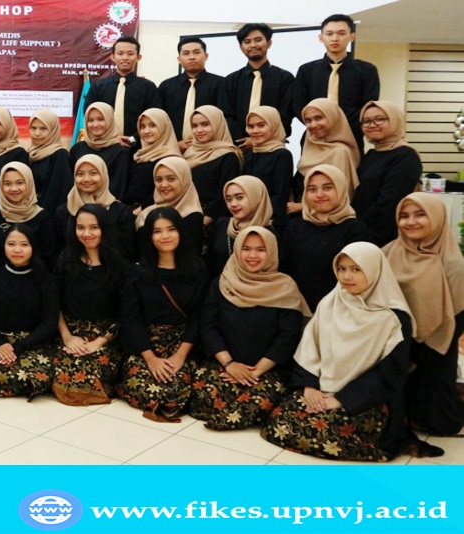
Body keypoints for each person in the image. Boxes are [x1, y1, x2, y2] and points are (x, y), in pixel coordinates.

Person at [262, 243, 428, 462]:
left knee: (332, 429)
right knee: (281, 420)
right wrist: (309, 386)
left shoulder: (393, 318)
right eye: (341, 269)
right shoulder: (330, 303)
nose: (346, 276)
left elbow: (390, 372)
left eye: (356, 269)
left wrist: (342, 399)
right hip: (322, 387)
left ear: (375, 270)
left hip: (367, 397)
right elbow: (310, 347)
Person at [190, 227, 309, 430]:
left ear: (272, 252)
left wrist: (256, 371)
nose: (252, 255)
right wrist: (230, 364)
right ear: (237, 250)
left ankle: (228, 416)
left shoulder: (285, 287)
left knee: (262, 397)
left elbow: (287, 337)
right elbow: (209, 327)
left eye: (261, 250)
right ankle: (229, 414)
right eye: (246, 249)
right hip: (224, 364)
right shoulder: (222, 283)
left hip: (267, 370)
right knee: (204, 393)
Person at [384, 193, 464, 437]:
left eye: (420, 215)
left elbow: (459, 311)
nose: (411, 222)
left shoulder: (453, 262)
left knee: (435, 395)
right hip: (394, 338)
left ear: (436, 218)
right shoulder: (387, 253)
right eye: (404, 216)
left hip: (438, 339)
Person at [118, 207, 208, 422]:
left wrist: (180, 355)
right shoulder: (137, 272)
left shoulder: (197, 270)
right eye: (157, 231)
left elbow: (199, 316)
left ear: (181, 232)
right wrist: (150, 358)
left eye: (171, 229)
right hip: (146, 345)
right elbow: (131, 318)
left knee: (175, 390)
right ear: (149, 236)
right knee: (146, 386)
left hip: (182, 344)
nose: (165, 236)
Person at [0, 225, 59, 398]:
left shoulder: (46, 280)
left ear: (33, 247)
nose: (17, 250)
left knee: (38, 377)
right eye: (11, 244)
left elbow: (49, 323)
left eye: (24, 244)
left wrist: (20, 346)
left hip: (32, 342)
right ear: (3, 246)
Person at [53, 204, 125, 406]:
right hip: (71, 330)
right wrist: (67, 336)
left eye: (94, 227)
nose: (86, 234)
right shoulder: (66, 259)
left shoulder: (119, 266)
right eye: (80, 227)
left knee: (90, 376)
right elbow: (53, 302)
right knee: (64, 374)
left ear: (105, 229)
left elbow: (124, 313)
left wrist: (98, 342)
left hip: (106, 335)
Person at [281, 165, 371, 312]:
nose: (319, 194)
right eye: (312, 189)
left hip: (342, 311)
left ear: (340, 190)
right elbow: (285, 270)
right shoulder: (294, 227)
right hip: (298, 310)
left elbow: (361, 278)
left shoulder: (355, 230)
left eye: (327, 188)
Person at [293, 14, 380, 152]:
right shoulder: (307, 70)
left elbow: (368, 105)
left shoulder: (367, 70)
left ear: (352, 36)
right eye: (329, 34)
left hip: (351, 136)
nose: (335, 38)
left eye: (341, 33)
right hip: (314, 137)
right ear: (321, 38)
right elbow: (298, 105)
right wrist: (316, 125)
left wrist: (341, 127)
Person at [354, 101, 423, 245]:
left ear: (394, 120)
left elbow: (390, 203)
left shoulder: (405, 156)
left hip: (384, 235)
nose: (372, 125)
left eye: (380, 119)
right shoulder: (371, 154)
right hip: (362, 230)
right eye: (366, 121)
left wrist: (360, 232)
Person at [223, 23, 295, 142]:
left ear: (269, 43)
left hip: (273, 144)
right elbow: (226, 115)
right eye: (247, 42)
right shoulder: (231, 80)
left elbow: (286, 115)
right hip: (238, 145)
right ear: (241, 47)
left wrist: (258, 139)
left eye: (258, 40)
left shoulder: (284, 78)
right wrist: (242, 139)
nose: (253, 45)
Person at [57, 154, 136, 261]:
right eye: (80, 174)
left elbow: (127, 252)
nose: (86, 179)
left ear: (103, 175)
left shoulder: (121, 212)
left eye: (93, 173)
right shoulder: (65, 211)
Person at [0, 162, 56, 267]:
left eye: (20, 183)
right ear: (1, 186)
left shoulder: (42, 217)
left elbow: (46, 257)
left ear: (29, 183)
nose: (14, 189)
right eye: (7, 184)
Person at [290, 98, 360, 213]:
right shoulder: (309, 146)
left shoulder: (340, 152)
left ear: (333, 118)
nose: (313, 124)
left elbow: (341, 198)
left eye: (318, 118)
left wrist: (301, 207)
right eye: (308, 120)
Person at [85, 37, 159, 146]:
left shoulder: (148, 87)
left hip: (139, 146)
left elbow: (155, 118)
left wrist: (133, 139)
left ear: (138, 57)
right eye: (120, 53)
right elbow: (89, 116)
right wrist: (110, 138)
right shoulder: (98, 87)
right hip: (104, 145)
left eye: (130, 54)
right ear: (113, 57)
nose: (125, 58)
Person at [157, 37, 227, 143]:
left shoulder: (221, 84)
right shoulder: (166, 86)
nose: (192, 57)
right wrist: (173, 144)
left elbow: (225, 118)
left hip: (211, 146)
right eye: (186, 53)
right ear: (179, 59)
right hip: (175, 146)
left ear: (206, 56)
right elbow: (161, 120)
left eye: (196, 52)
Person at [205, 176, 274, 278]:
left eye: (239, 197)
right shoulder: (221, 224)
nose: (233, 204)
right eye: (228, 199)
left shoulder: (272, 233)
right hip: (219, 285)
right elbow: (209, 262)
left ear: (256, 197)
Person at [182, 105, 242, 223]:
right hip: (184, 212)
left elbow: (225, 194)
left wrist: (208, 219)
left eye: (205, 124)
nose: (199, 130)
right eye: (194, 126)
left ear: (217, 125)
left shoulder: (228, 155)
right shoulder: (189, 152)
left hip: (210, 218)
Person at [135, 156, 205, 255]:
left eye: (171, 179)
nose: (164, 185)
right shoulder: (148, 211)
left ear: (184, 179)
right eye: (158, 180)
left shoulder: (192, 216)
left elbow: (190, 257)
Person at [241, 106, 294, 233]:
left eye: (261, 125)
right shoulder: (251, 153)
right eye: (251, 126)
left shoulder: (282, 155)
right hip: (247, 218)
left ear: (274, 125)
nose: (255, 131)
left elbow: (280, 194)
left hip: (269, 222)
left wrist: (265, 221)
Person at [68, 102, 133, 200]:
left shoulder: (121, 152)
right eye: (90, 120)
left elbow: (118, 187)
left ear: (110, 120)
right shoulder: (77, 149)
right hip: (78, 203)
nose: (95, 125)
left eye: (101, 119)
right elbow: (70, 182)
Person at [126, 109, 181, 211]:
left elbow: (163, 193)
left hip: (152, 213)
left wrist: (138, 212)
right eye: (142, 126)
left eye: (152, 125)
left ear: (163, 127)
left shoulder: (171, 158)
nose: (146, 131)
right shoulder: (138, 155)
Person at [27, 110, 72, 218]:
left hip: (47, 214)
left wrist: (41, 215)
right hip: (28, 211)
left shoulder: (59, 154)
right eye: (33, 128)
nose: (37, 133)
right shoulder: (29, 153)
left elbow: (56, 191)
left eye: (43, 129)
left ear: (53, 130)